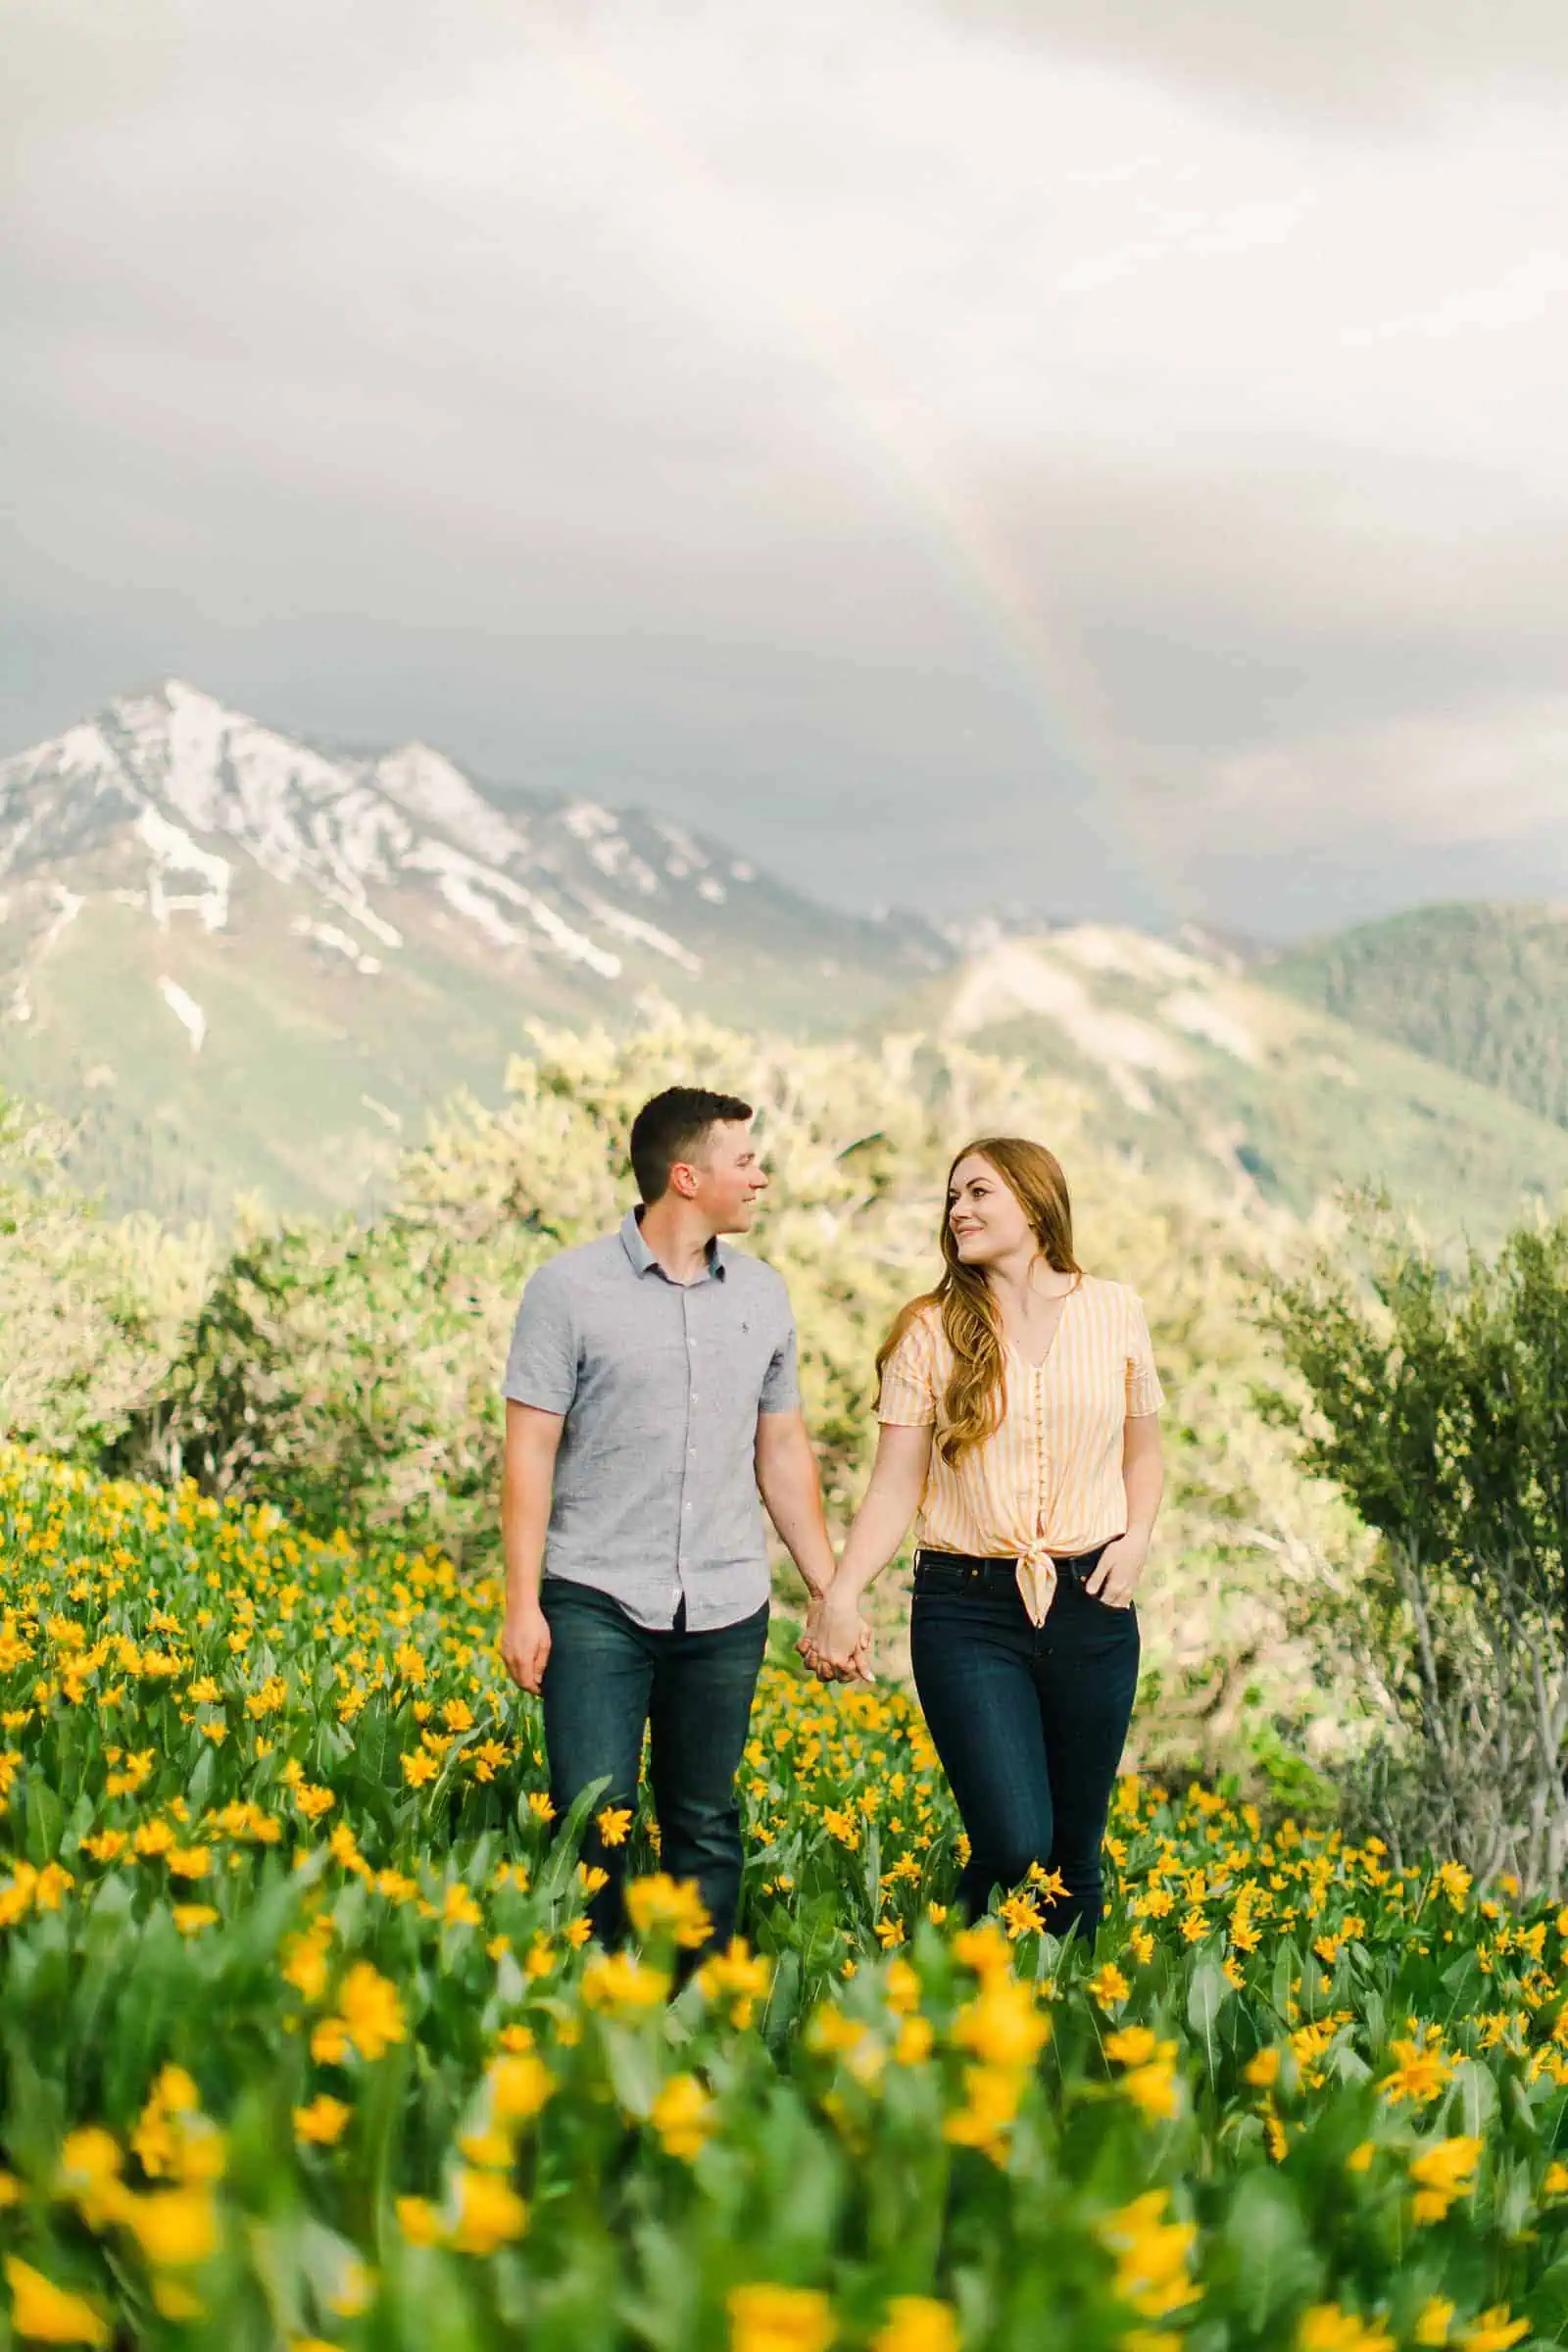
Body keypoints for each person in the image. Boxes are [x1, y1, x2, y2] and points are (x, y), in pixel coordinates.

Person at [498, 1085, 858, 1962]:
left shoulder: (765, 1297)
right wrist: (521, 1605)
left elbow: (782, 1454)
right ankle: (595, 1999)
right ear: (686, 1177)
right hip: (595, 1598)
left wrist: (829, 1592)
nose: (762, 1178)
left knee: (704, 1819)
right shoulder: (567, 1291)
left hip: (727, 1604)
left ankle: (699, 2014)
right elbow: (528, 1454)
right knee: (595, 1813)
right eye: (747, 1162)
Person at [802, 1136, 1164, 1942]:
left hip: (1093, 1605)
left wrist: (1136, 1537)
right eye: (952, 1199)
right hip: (966, 1609)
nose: (958, 1210)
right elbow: (896, 1482)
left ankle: (1068, 2035)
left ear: (1036, 1206)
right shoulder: (930, 1330)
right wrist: (842, 1594)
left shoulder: (1116, 1311)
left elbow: (1143, 1454)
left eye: (978, 1194)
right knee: (1013, 1841)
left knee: (1076, 1858)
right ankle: (928, 1970)